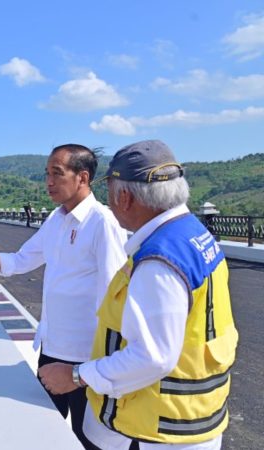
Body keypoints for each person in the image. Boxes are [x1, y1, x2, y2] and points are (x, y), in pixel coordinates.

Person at [39, 140, 237, 450]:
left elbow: (152, 357)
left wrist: (76, 376)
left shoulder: (160, 261)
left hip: (160, 428)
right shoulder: (193, 235)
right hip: (196, 416)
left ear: (125, 197)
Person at [0, 144, 127, 448]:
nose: (49, 182)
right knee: (47, 434)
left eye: (57, 174)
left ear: (82, 178)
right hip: (51, 349)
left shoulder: (102, 223)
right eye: (47, 174)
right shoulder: (56, 220)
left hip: (86, 358)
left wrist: (102, 365)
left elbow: (115, 295)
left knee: (91, 441)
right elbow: (20, 261)